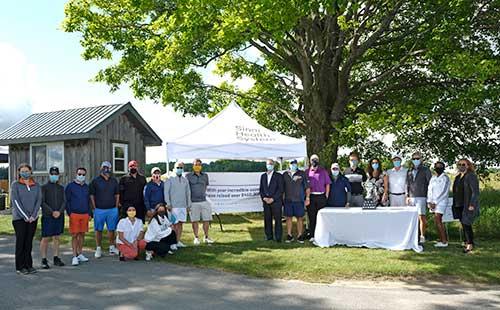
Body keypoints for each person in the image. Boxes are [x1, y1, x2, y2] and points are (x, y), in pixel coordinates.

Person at [10, 163, 41, 275]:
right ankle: (20, 266)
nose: (25, 173)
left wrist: (33, 216)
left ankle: (29, 265)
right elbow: (16, 202)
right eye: (22, 171)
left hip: (33, 219)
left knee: (29, 243)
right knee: (21, 242)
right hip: (19, 219)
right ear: (19, 172)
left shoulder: (36, 185)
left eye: (27, 171)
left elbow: (38, 201)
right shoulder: (15, 185)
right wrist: (25, 216)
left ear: (31, 172)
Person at [90, 161, 120, 258]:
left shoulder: (114, 181)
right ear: (101, 168)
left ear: (110, 169)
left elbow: (117, 194)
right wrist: (94, 208)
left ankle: (112, 247)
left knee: (112, 229)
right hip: (99, 209)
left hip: (112, 209)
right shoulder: (95, 181)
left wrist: (116, 206)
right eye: (104, 167)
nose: (106, 169)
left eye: (108, 167)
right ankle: (98, 248)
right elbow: (91, 195)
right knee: (98, 230)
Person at [40, 166, 66, 269]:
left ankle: (56, 257)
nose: (54, 175)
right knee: (45, 238)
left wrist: (59, 212)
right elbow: (42, 202)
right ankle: (43, 259)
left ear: (58, 175)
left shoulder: (61, 188)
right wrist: (52, 212)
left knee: (57, 237)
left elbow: (65, 201)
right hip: (48, 216)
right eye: (52, 174)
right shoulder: (44, 187)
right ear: (49, 174)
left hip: (59, 216)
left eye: (56, 174)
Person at [452, 158, 480, 253]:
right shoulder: (458, 177)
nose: (461, 166)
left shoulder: (471, 176)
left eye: (463, 164)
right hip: (459, 204)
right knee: (463, 224)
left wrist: (472, 204)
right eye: (459, 164)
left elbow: (475, 192)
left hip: (467, 204)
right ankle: (466, 241)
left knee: (466, 224)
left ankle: (470, 245)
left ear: (468, 165)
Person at [65, 167, 92, 266]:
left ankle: (80, 253)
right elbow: (67, 201)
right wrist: (69, 213)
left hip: (84, 214)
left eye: (83, 174)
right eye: (79, 174)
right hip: (74, 214)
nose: (81, 176)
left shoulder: (86, 187)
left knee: (82, 234)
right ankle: (74, 256)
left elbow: (88, 201)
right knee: (75, 235)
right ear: (76, 174)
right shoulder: (70, 186)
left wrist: (90, 213)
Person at [406, 151, 432, 243]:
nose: (416, 160)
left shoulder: (426, 170)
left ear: (421, 159)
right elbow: (407, 184)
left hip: (422, 197)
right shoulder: (409, 171)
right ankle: (413, 236)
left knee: (422, 217)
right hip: (411, 197)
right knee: (412, 217)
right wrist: (407, 196)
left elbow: (430, 185)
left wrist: (430, 198)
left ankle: (422, 236)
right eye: (414, 159)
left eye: (418, 158)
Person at [186, 159, 214, 245]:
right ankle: (196, 237)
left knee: (206, 220)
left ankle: (206, 237)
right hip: (193, 202)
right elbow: (186, 189)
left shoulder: (205, 176)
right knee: (195, 220)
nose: (197, 166)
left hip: (204, 201)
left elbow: (205, 187)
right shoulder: (188, 176)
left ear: (201, 166)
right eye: (195, 164)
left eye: (199, 165)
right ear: (193, 166)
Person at [164, 161, 191, 248]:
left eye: (181, 167)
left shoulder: (185, 180)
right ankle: (172, 243)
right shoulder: (169, 179)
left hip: (183, 206)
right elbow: (166, 192)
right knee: (174, 225)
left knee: (180, 224)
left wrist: (188, 205)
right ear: (174, 168)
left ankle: (178, 241)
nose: (179, 169)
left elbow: (188, 193)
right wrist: (168, 203)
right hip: (173, 207)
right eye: (178, 167)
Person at [282, 159, 310, 243]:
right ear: (289, 164)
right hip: (288, 200)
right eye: (291, 163)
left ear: (297, 164)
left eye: (294, 163)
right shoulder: (285, 174)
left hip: (299, 200)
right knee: (288, 218)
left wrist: (307, 198)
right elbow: (282, 188)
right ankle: (289, 235)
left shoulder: (302, 173)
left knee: (300, 218)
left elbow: (307, 187)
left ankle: (300, 235)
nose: (293, 165)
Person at [305, 154, 330, 242]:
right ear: (310, 161)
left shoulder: (323, 171)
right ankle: (312, 235)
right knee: (312, 217)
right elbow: (304, 185)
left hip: (321, 196)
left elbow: (327, 184)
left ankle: (322, 235)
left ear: (318, 161)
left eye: (316, 159)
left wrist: (326, 195)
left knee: (322, 217)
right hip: (311, 196)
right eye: (312, 159)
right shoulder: (307, 172)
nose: (314, 161)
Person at [259, 159, 284, 242]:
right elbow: (261, 189)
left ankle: (278, 237)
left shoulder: (279, 176)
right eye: (268, 164)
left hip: (276, 202)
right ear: (266, 165)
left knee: (278, 220)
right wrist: (264, 198)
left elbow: (281, 190)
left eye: (271, 164)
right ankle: (269, 236)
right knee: (267, 219)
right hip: (266, 202)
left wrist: (273, 199)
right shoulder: (263, 176)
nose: (269, 165)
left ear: (273, 165)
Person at [427, 161, 451, 248]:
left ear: (443, 168)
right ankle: (441, 239)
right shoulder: (433, 178)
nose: (438, 168)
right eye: (437, 166)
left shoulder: (445, 178)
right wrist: (429, 201)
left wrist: (435, 202)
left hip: (441, 202)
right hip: (432, 202)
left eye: (440, 166)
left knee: (438, 220)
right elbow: (429, 190)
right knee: (437, 221)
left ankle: (444, 241)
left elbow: (444, 192)